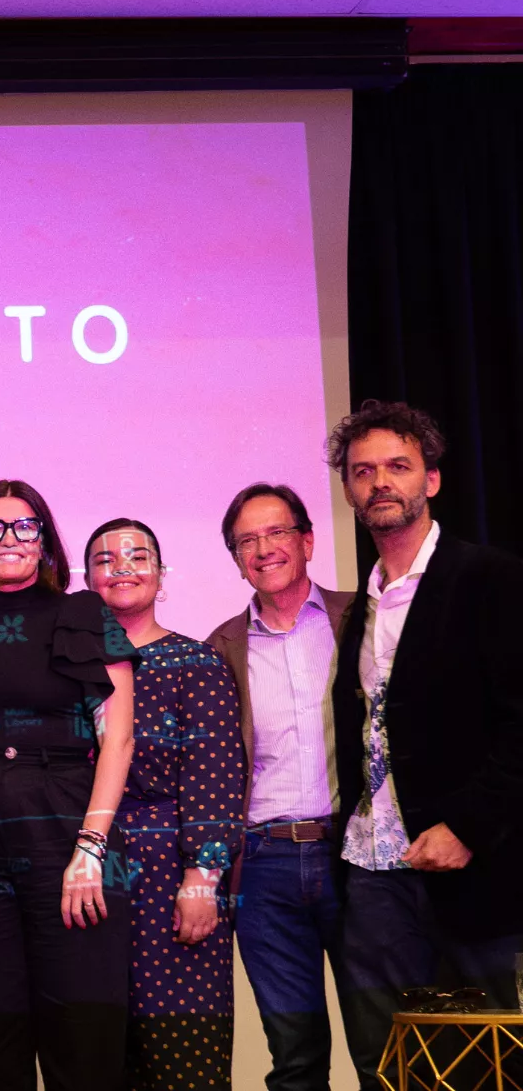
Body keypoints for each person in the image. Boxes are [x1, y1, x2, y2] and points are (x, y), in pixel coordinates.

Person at [323, 401, 523, 1091]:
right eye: (363, 471)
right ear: (348, 489)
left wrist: (468, 824)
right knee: (390, 1063)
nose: (380, 482)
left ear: (431, 480)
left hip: (471, 867)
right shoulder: (362, 605)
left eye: (398, 467)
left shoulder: (489, 579)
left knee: (487, 1061)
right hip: (374, 867)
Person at [0, 480, 137, 1091]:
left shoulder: (81, 611)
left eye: (24, 526)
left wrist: (91, 848)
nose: (8, 538)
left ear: (45, 540)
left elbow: (116, 738)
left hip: (63, 829)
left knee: (81, 1041)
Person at [205, 483, 361, 1091]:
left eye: (276, 533)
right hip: (264, 869)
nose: (264, 549)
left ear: (308, 541)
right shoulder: (219, 649)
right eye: (248, 540)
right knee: (295, 1060)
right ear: (236, 558)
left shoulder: (360, 619)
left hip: (356, 860)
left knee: (383, 1042)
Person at [82, 519, 245, 1090]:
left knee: (180, 1059)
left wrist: (202, 876)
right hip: (86, 876)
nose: (122, 567)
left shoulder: (195, 664)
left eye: (137, 555)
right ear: (86, 579)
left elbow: (217, 778)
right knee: (99, 1055)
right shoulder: (69, 671)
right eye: (106, 559)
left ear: (161, 573)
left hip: (169, 874)